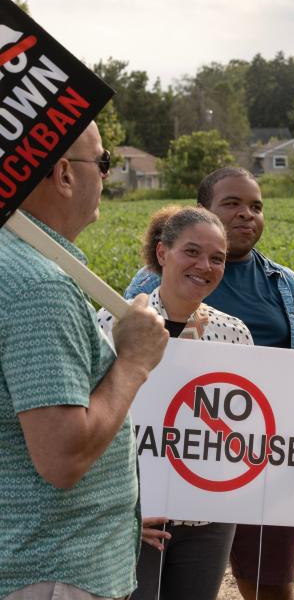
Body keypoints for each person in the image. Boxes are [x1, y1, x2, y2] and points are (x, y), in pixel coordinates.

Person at [124, 167, 294, 600]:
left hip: (266, 453)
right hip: (170, 465)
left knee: (269, 577)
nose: (246, 215)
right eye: (232, 204)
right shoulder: (144, 291)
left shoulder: (287, 287)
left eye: (256, 206)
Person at [0, 122, 169, 599]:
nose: (105, 176)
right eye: (103, 162)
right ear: (64, 174)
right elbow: (62, 456)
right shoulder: (40, 286)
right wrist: (134, 361)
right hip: (54, 569)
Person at [99, 206, 253, 600]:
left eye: (217, 258)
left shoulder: (234, 333)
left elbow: (249, 428)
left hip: (211, 519)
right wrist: (123, 509)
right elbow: (89, 420)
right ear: (162, 253)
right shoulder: (113, 323)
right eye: (192, 251)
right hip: (135, 519)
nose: (205, 265)